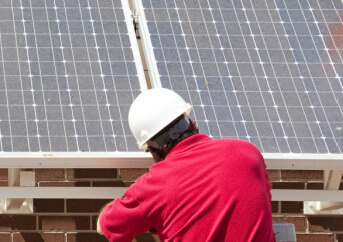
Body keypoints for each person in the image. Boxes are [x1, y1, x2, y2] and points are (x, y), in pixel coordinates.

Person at [97, 88, 274, 242]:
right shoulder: (248, 153)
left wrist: (138, 206)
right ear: (193, 123)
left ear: (151, 150)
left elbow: (104, 226)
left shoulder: (153, 186)